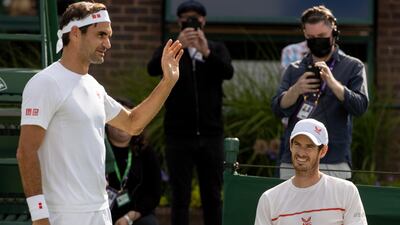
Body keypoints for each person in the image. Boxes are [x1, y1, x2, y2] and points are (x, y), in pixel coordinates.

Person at [16, 2, 183, 225]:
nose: (108, 43)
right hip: (63, 216)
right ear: (75, 33)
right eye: (101, 35)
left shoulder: (93, 86)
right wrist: (39, 217)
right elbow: (26, 153)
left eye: (109, 35)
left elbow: (133, 124)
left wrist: (168, 82)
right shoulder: (45, 83)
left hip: (100, 212)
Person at [147, 1, 234, 225]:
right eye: (186, 19)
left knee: (212, 195)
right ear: (179, 22)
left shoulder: (216, 48)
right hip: (178, 135)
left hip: (210, 134)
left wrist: (205, 51)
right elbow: (152, 68)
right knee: (180, 196)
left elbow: (227, 72)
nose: (191, 22)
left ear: (203, 21)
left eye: (195, 18)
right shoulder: (171, 48)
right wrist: (177, 47)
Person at [271, 5, 369, 180]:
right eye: (311, 37)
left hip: (334, 159)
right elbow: (277, 108)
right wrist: (296, 90)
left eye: (322, 37)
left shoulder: (353, 66)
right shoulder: (294, 69)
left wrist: (332, 83)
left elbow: (360, 106)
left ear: (334, 33)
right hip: (294, 159)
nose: (317, 41)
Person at [254, 118, 368, 225]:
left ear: (323, 151)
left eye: (309, 146)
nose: (301, 153)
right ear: (290, 146)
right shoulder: (269, 199)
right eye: (297, 144)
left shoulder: (346, 191)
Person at [106, 98, 161, 225]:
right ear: (107, 121)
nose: (125, 123)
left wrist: (129, 217)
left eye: (130, 117)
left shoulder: (145, 151)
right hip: (101, 214)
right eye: (120, 117)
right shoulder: (98, 147)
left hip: (134, 215)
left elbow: (154, 193)